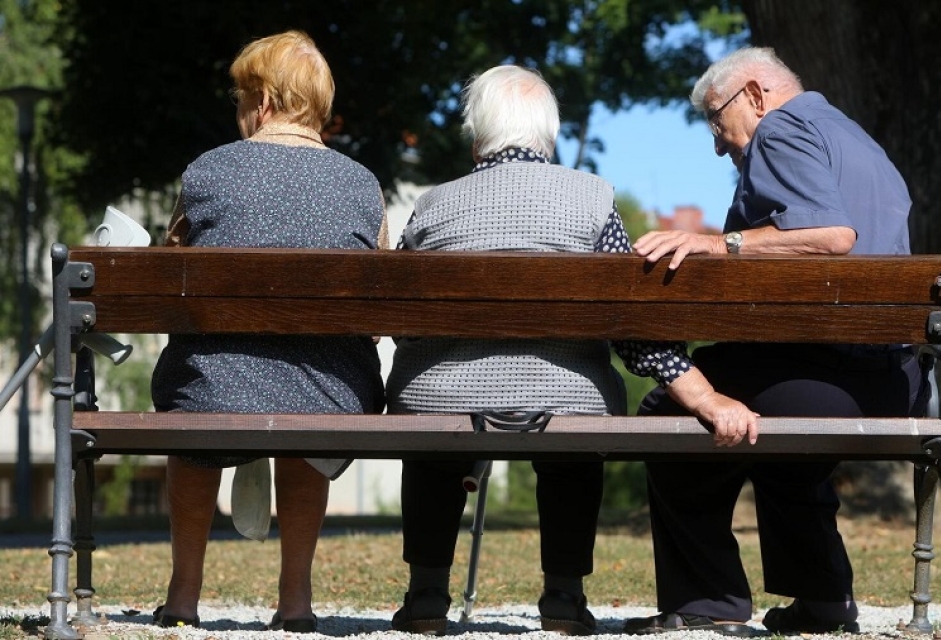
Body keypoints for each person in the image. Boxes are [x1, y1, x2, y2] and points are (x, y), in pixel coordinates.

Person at [385, 64, 758, 637]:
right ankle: (563, 595)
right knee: (574, 438)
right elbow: (628, 320)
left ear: (477, 131)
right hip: (566, 394)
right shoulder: (591, 200)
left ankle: (426, 594)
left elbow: (403, 320)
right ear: (548, 132)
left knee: (434, 430)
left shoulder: (434, 205)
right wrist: (699, 392)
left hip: (443, 395)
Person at [621, 47, 928, 636]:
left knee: (671, 409)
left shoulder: (782, 129)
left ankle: (707, 604)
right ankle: (822, 603)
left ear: (756, 94)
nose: (717, 142)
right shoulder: (858, 140)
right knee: (784, 438)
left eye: (716, 119)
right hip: (894, 382)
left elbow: (832, 235)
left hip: (829, 376)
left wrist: (720, 244)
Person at [149, 30, 386, 633]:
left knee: (200, 397)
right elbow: (381, 305)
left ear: (264, 101)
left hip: (211, 390)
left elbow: (172, 273)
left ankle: (183, 594)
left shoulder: (207, 172)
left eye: (239, 100)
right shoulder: (362, 185)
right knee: (308, 383)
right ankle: (296, 599)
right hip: (332, 397)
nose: (238, 113)